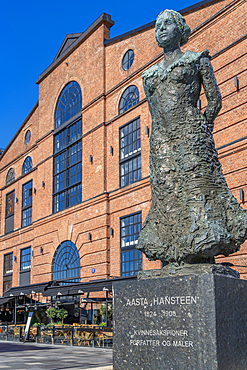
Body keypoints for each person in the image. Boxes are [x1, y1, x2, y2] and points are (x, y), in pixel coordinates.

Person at [137, 10, 247, 264]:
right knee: (167, 192)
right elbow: (155, 111)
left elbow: (214, 100)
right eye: (157, 25)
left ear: (180, 29)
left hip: (191, 135)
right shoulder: (149, 75)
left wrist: (201, 128)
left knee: (198, 189)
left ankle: (203, 245)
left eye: (167, 24)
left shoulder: (196, 60)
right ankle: (171, 251)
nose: (161, 29)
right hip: (161, 141)